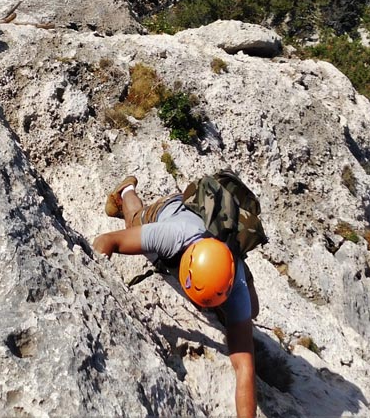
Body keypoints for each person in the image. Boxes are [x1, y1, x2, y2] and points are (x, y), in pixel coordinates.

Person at [93, 175, 258, 418]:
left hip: (216, 243)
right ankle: (126, 190)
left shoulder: (236, 282)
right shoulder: (172, 235)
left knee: (250, 311)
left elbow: (245, 367)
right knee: (132, 223)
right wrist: (97, 292)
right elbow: (108, 241)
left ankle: (220, 306)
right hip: (172, 209)